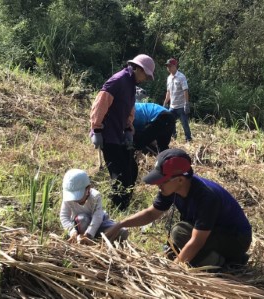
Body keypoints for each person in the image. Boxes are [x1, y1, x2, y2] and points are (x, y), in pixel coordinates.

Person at [105, 149, 252, 268]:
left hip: (236, 238)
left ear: (180, 180)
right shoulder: (171, 189)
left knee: (180, 232)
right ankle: (213, 257)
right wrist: (120, 224)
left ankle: (224, 263)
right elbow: (151, 213)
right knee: (174, 248)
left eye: (162, 181)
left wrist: (174, 270)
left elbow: (196, 241)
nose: (158, 185)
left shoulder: (206, 197)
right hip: (213, 232)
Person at [90, 54, 155, 211]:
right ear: (137, 68)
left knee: (131, 169)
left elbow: (129, 109)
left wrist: (128, 128)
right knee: (120, 175)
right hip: (108, 134)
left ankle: (124, 205)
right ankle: (117, 208)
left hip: (119, 134)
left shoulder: (131, 84)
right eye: (145, 75)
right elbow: (100, 103)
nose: (145, 78)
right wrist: (96, 129)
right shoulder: (118, 80)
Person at [60, 169, 128, 244]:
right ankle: (83, 240)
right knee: (82, 219)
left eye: (78, 196)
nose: (75, 200)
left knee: (123, 231)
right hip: (79, 227)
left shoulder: (95, 196)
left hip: (98, 225)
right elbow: (64, 216)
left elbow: (97, 217)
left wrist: (89, 234)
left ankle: (96, 239)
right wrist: (72, 231)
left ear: (88, 189)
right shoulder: (67, 199)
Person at [163, 58, 192, 142]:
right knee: (170, 122)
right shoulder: (169, 78)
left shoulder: (181, 77)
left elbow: (185, 90)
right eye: (167, 66)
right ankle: (173, 136)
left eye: (170, 66)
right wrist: (165, 103)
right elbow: (168, 92)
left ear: (175, 66)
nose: (168, 68)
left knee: (184, 123)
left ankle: (188, 139)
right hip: (172, 106)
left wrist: (186, 104)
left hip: (181, 106)